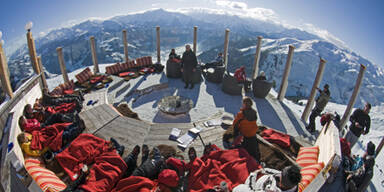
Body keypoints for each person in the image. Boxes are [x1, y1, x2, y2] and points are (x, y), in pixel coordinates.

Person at [233, 165, 302, 192]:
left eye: (282, 174)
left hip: (254, 186)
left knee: (238, 188)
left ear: (282, 184)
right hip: (261, 176)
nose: (280, 173)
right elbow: (275, 172)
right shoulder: (291, 180)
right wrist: (263, 170)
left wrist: (253, 175)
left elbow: (252, 190)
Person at [233, 96, 260, 161]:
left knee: (236, 129)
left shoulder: (241, 114)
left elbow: (235, 124)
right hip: (254, 132)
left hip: (245, 134)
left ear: (244, 104)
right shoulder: (254, 112)